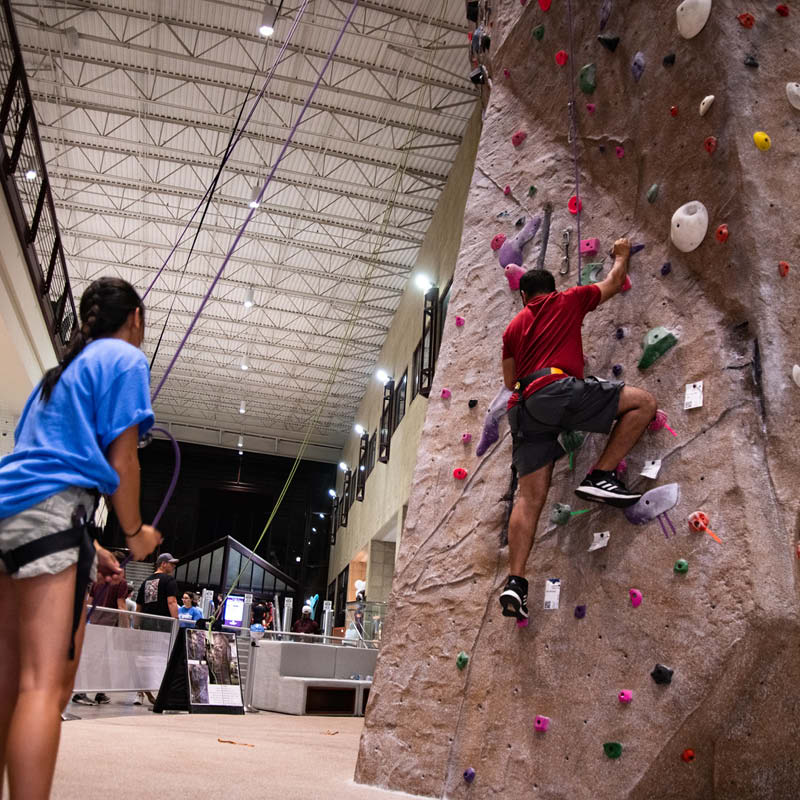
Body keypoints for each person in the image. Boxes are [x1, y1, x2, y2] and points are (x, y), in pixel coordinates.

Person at [0, 277, 162, 798]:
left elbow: (38, 466)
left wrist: (90, 547)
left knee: (7, 685)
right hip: (55, 518)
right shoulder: (125, 358)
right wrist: (135, 533)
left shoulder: (55, 376)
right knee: (43, 687)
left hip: (10, 513)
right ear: (134, 317)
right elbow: (124, 459)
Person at [498, 240, 657, 623]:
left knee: (530, 498)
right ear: (550, 290)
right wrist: (620, 254)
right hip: (556, 389)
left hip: (523, 408)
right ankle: (600, 475)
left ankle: (515, 581)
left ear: (524, 296)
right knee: (643, 403)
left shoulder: (513, 327)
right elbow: (614, 283)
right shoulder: (567, 300)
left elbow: (509, 379)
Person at [72, 551, 130, 705]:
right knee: (97, 660)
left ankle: (100, 692)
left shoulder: (98, 581)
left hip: (94, 623)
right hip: (109, 626)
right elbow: (121, 606)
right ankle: (80, 693)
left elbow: (89, 603)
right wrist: (127, 630)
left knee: (99, 660)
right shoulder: (121, 583)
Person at [135, 553, 179, 630]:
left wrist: (136, 625)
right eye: (171, 564)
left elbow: (139, 607)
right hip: (163, 624)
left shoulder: (145, 581)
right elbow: (172, 602)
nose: (174, 566)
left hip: (146, 624)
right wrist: (176, 623)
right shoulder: (169, 580)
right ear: (164, 564)